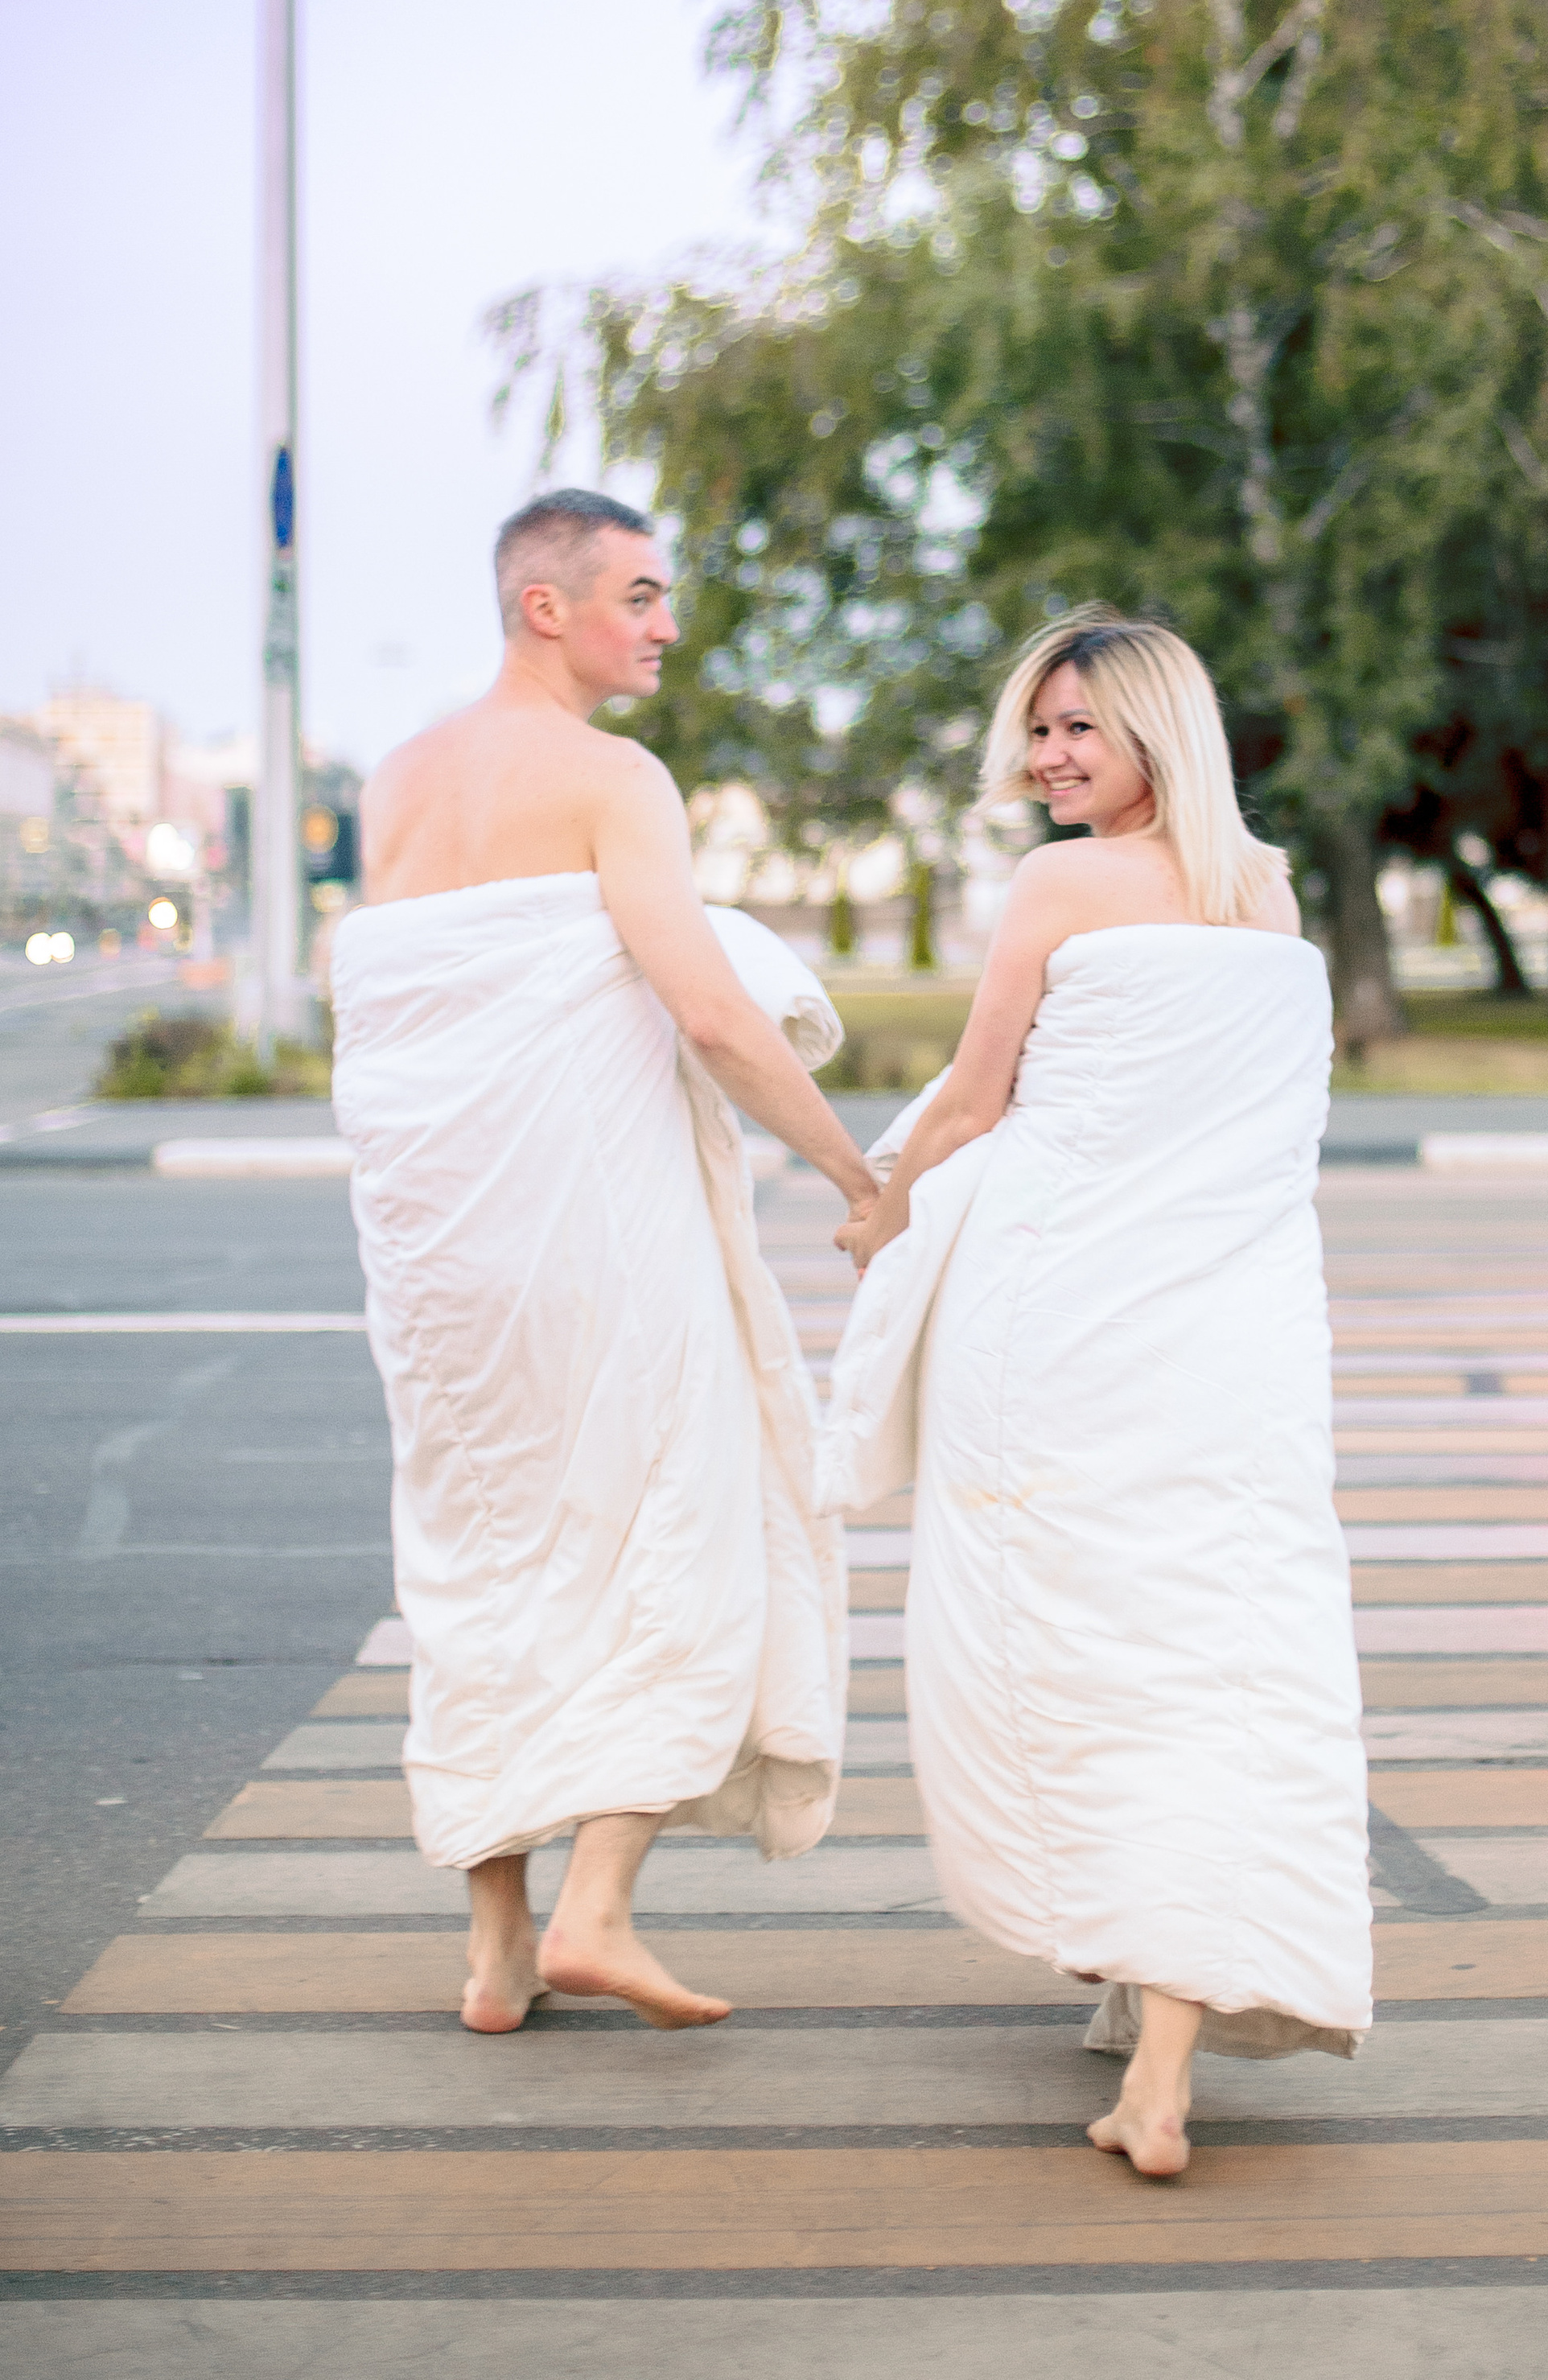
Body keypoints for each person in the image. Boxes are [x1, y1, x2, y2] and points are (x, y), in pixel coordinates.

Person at [827, 609, 1371, 2176]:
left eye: (1074, 727)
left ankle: (1141, 2006)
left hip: (1061, 1332)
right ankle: (1161, 2035)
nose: (1045, 756)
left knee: (1075, 1644)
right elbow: (1268, 1136)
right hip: (1226, 1345)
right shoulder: (1260, 891)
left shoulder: (1057, 886)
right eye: (1037, 730)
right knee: (1213, 1649)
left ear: (1152, 729)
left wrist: (876, 1209)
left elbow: (979, 1096)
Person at [331, 488, 880, 2035]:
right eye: (639, 595)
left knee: (481, 1555)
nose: (665, 624)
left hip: (441, 1253)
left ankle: (498, 1953)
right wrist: (856, 1172)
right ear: (544, 606)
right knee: (679, 1521)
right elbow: (705, 1011)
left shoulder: (400, 779)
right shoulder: (611, 777)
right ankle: (597, 1907)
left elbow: (408, 1019)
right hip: (586, 1237)